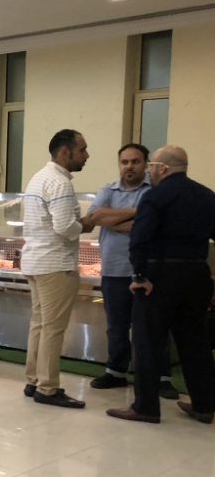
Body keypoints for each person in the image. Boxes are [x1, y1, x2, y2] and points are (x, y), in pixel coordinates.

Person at [107, 146, 215, 425]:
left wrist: (139, 276)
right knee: (195, 341)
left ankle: (145, 407)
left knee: (147, 341)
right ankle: (204, 405)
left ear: (162, 168)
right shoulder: (207, 195)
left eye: (151, 166)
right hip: (197, 273)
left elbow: (139, 238)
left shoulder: (155, 196)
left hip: (160, 275)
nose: (149, 171)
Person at [86, 145, 175, 397]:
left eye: (135, 161)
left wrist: (114, 219)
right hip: (113, 269)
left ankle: (161, 377)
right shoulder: (108, 190)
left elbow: (157, 225)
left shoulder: (155, 190)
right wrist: (139, 213)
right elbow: (94, 218)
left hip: (148, 271)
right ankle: (116, 372)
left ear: (146, 164)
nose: (129, 166)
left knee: (154, 326)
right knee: (116, 325)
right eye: (124, 161)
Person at [21, 129, 96, 408]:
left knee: (40, 324)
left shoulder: (38, 177)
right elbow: (64, 227)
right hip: (55, 265)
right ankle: (48, 388)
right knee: (53, 329)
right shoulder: (60, 182)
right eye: (82, 149)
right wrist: (86, 225)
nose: (87, 155)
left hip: (35, 262)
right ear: (65, 152)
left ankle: (34, 380)